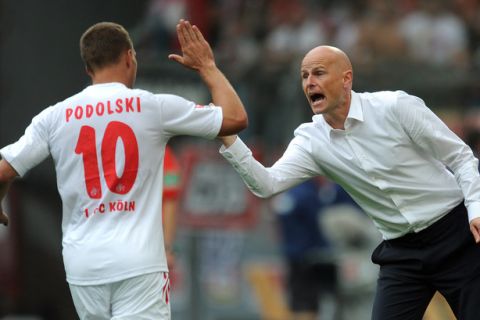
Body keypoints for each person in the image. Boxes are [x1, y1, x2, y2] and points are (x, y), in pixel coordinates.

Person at [0, 19, 247, 320]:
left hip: (83, 265)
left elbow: (4, 172)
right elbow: (235, 118)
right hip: (138, 263)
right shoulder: (152, 107)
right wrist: (208, 66)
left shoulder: (53, 117)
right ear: (130, 57)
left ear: (88, 69)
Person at [218, 45, 480, 319]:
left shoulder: (395, 106)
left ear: (346, 79)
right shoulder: (310, 141)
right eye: (304, 75)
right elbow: (266, 184)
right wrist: (227, 137)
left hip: (458, 235)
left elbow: (460, 156)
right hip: (402, 253)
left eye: (319, 73)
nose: (310, 82)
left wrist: (476, 209)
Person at [162, 145, 181, 271]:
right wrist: (167, 247)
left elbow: (170, 197)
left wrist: (167, 246)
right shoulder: (163, 153)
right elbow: (170, 200)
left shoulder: (165, 155)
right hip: (149, 242)